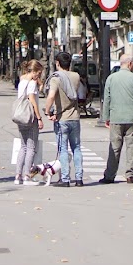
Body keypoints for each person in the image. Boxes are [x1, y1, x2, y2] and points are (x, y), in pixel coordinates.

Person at [99, 55, 133, 184]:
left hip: (116, 117)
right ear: (130, 63)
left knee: (114, 147)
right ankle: (130, 174)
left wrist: (106, 117)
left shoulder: (111, 78)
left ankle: (109, 175)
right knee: (132, 146)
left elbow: (107, 99)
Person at [44, 52, 84, 187]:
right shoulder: (76, 76)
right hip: (75, 117)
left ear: (57, 63)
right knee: (76, 148)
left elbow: (51, 96)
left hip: (62, 118)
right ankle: (79, 178)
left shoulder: (56, 78)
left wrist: (47, 110)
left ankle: (65, 179)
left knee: (62, 149)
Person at [14, 59, 45, 185]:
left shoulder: (22, 80)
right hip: (30, 117)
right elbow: (32, 100)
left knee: (23, 146)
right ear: (35, 71)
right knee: (31, 147)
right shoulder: (31, 83)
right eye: (39, 73)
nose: (39, 76)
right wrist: (39, 117)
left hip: (21, 116)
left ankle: (18, 175)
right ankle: (27, 175)